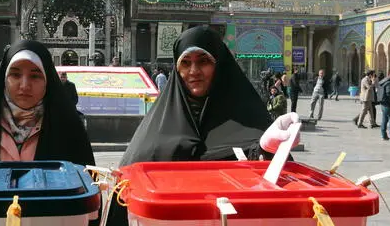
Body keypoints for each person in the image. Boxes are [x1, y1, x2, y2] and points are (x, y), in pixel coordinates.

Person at [105, 27, 300, 225]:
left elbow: (280, 184)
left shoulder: (247, 116)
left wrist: (267, 150)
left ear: (220, 64)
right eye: (185, 63)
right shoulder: (160, 122)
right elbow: (128, 189)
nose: (194, 71)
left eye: (204, 61)